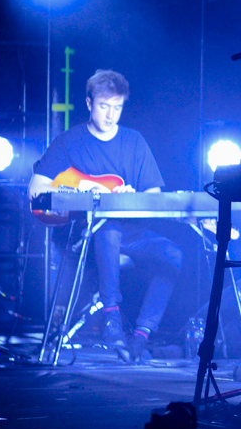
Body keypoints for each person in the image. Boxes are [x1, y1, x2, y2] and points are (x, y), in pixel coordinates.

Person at [28, 69, 183, 362]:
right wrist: (82, 195)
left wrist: (132, 197)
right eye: (103, 106)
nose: (111, 115)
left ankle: (141, 335)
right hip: (81, 234)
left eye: (117, 107)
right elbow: (36, 190)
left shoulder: (134, 141)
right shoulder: (68, 141)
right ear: (89, 103)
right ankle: (111, 317)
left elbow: (153, 196)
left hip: (130, 233)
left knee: (173, 254)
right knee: (107, 224)